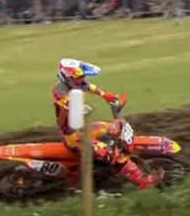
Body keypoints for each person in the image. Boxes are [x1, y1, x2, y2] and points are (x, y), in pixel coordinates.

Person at [52, 58, 164, 189]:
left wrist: (104, 95)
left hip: (81, 129)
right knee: (109, 152)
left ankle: (111, 167)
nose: (82, 79)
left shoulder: (74, 84)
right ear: (68, 77)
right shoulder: (60, 92)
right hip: (73, 137)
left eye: (83, 76)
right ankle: (143, 182)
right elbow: (68, 105)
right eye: (79, 77)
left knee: (110, 128)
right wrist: (80, 108)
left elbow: (88, 86)